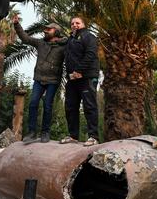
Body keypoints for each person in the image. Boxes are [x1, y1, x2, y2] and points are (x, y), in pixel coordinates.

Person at [12, 15, 67, 143]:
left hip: (53, 80)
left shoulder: (64, 46)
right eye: (45, 29)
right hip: (39, 79)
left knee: (48, 105)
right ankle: (31, 132)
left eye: (49, 29)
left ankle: (45, 132)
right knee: (33, 103)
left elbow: (73, 55)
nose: (45, 31)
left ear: (56, 32)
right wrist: (16, 24)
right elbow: (25, 38)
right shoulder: (41, 43)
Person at [59, 16, 100, 146]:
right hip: (72, 78)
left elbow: (90, 54)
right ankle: (73, 136)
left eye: (78, 23)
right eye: (72, 23)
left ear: (83, 24)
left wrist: (79, 71)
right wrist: (70, 74)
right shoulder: (70, 39)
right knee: (70, 107)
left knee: (89, 106)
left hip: (86, 76)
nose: (74, 25)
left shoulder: (89, 36)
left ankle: (93, 136)